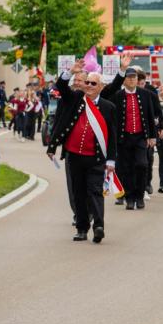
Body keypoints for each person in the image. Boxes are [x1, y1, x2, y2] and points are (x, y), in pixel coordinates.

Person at [47, 64, 118, 242]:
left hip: (95, 157)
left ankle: (99, 226)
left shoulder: (108, 107)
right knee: (78, 193)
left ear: (101, 87)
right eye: (86, 82)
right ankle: (82, 228)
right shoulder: (77, 98)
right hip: (74, 156)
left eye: (93, 83)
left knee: (94, 191)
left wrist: (111, 161)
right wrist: (70, 72)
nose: (88, 86)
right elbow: (62, 87)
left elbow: (112, 137)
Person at [110, 66, 157, 210]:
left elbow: (150, 115)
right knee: (126, 168)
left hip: (140, 137)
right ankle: (130, 197)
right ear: (124, 80)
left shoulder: (145, 94)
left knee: (142, 165)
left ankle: (139, 195)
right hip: (124, 138)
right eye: (128, 77)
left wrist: (152, 136)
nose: (131, 80)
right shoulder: (118, 96)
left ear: (137, 79)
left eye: (134, 77)